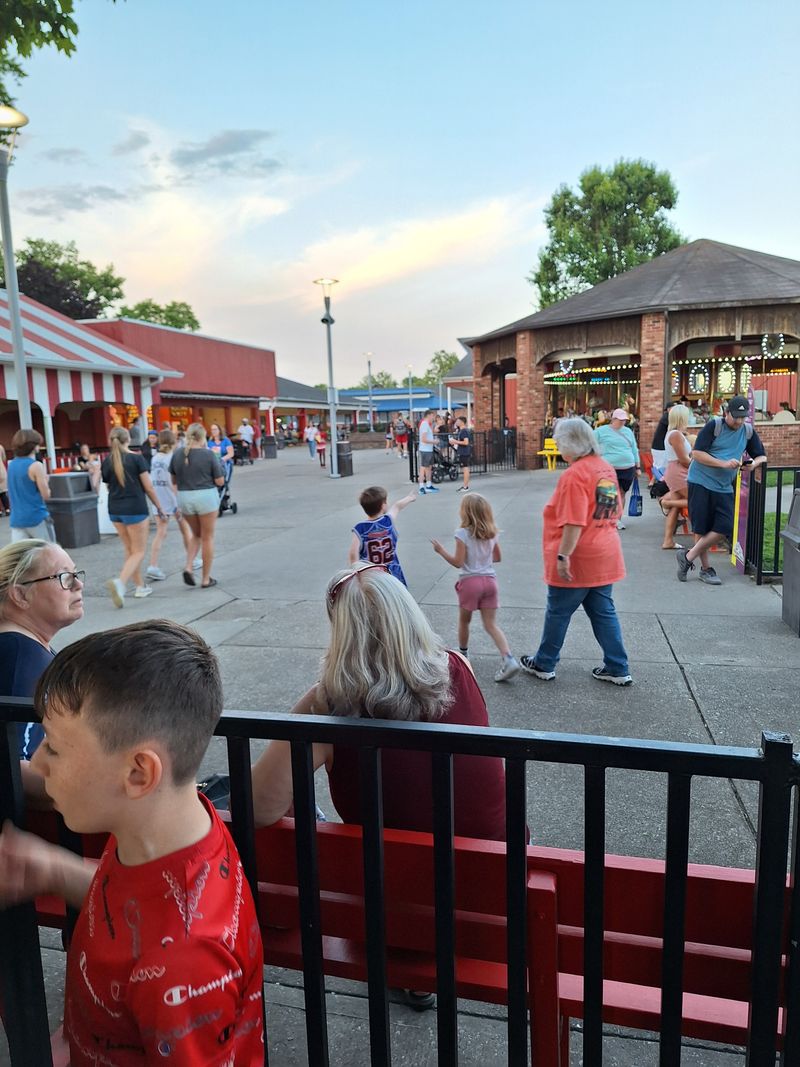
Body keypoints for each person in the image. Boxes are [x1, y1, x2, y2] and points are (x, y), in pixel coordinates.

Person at [0, 621, 264, 1064]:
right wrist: (54, 870)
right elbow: (141, 911)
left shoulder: (186, 966)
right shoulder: (167, 825)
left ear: (139, 773)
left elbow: (162, 949)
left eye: (56, 748)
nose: (38, 762)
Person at [249, 563, 508, 841]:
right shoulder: (458, 665)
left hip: (395, 877)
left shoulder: (327, 703)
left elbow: (257, 809)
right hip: (505, 863)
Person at [520, 417, 632, 686]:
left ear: (572, 442)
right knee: (603, 611)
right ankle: (618, 667)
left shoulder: (575, 474)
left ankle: (544, 663)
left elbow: (574, 521)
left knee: (558, 611)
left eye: (559, 442)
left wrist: (563, 555)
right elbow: (611, 510)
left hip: (579, 555)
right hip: (605, 551)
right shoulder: (604, 468)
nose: (558, 447)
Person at [0, 539, 84, 801]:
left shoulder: (23, 647)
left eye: (75, 574)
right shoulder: (19, 653)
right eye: (64, 577)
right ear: (20, 595)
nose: (78, 584)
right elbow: (13, 768)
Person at [677, 396, 766, 586]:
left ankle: (688, 556)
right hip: (700, 482)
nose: (739, 421)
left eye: (743, 417)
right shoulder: (714, 427)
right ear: (727, 413)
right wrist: (723, 464)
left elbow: (761, 456)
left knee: (725, 526)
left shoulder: (748, 431)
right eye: (736, 417)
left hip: (723, 487)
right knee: (701, 527)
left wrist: (753, 464)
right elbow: (697, 454)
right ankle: (706, 569)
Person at [432, 493, 520, 682]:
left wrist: (441, 552)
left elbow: (458, 562)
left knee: (465, 622)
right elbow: (497, 557)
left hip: (470, 582)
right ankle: (508, 658)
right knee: (491, 624)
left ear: (465, 512)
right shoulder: (492, 533)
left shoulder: (462, 534)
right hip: (490, 581)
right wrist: (483, 558)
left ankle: (464, 656)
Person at [101, 426, 164, 607]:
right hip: (135, 508)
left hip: (115, 509)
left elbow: (107, 487)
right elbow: (148, 487)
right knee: (138, 551)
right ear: (128, 439)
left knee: (130, 550)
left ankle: (140, 586)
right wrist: (159, 507)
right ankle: (120, 583)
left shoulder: (107, 462)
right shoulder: (137, 459)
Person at [170, 422, 225, 589]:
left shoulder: (178, 454)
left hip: (185, 497)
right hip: (206, 496)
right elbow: (220, 481)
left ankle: (188, 566)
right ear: (202, 437)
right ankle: (206, 579)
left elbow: (173, 480)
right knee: (207, 537)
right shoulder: (208, 455)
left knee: (196, 534)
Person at [146, 429, 192, 581]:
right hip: (172, 499)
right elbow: (174, 482)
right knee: (185, 530)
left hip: (159, 499)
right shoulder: (172, 457)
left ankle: (153, 565)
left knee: (161, 533)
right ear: (174, 442)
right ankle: (192, 559)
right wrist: (178, 502)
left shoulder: (155, 458)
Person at [350, 486, 416, 585]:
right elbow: (397, 506)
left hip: (372, 577)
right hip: (393, 574)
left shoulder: (360, 529)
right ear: (382, 505)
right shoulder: (388, 521)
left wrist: (357, 572)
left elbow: (353, 554)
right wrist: (410, 498)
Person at [593, 407, 640, 528]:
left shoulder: (628, 431)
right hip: (609, 467)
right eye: (620, 420)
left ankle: (617, 519)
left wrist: (638, 466)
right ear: (613, 419)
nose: (623, 422)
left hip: (627, 467)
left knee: (622, 493)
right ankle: (607, 517)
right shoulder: (601, 431)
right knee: (609, 492)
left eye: (624, 420)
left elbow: (634, 449)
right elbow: (591, 444)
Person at [7, 429, 54, 543]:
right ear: (34, 446)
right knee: (49, 553)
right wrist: (46, 481)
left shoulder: (11, 465)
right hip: (36, 517)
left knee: (22, 557)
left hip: (17, 520)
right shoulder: (36, 466)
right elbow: (46, 495)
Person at [659, 404, 693, 550]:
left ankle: (668, 541)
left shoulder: (674, 434)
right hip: (679, 472)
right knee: (695, 501)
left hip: (675, 471)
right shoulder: (675, 435)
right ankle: (666, 502)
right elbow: (684, 459)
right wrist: (699, 467)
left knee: (677, 505)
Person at [650, 402, 676, 480]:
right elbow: (673, 428)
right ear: (668, 409)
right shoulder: (667, 417)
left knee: (659, 465)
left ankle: (653, 482)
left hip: (659, 446)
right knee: (660, 466)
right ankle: (658, 483)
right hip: (659, 447)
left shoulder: (666, 417)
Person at [417, 409, 439, 495]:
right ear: (429, 415)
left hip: (428, 449)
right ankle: (421, 487)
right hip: (425, 450)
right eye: (433, 416)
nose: (433, 418)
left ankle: (429, 485)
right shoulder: (424, 424)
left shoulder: (427, 425)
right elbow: (424, 439)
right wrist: (434, 441)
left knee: (428, 468)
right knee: (423, 468)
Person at [449, 416, 472, 492]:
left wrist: (455, 441)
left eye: (458, 421)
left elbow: (466, 442)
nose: (456, 422)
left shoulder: (464, 431)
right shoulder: (462, 430)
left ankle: (465, 487)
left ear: (462, 422)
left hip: (464, 452)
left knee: (465, 469)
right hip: (463, 452)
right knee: (465, 468)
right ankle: (465, 486)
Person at [0, 442, 9, 516]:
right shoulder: (1, 447)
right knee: (3, 493)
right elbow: (4, 459)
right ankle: (7, 509)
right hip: (1, 471)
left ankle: (0, 511)